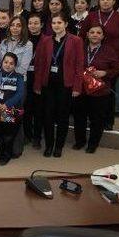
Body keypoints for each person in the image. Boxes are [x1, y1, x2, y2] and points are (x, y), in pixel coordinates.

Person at [33, 13, 84, 158]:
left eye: (59, 22)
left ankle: (58, 146)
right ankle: (49, 145)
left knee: (63, 116)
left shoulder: (76, 41)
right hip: (48, 84)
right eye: (54, 23)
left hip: (66, 85)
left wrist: (77, 87)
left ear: (66, 24)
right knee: (48, 116)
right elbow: (40, 64)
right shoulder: (45, 41)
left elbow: (79, 65)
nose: (56, 25)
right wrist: (37, 84)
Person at [79, 0, 119, 129]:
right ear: (99, 1)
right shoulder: (91, 16)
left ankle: (107, 121)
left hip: (111, 61)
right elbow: (82, 36)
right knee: (88, 90)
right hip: (91, 59)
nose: (105, 1)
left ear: (114, 1)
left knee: (108, 91)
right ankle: (91, 118)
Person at [73, 24, 119, 153]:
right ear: (87, 34)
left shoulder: (109, 50)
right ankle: (80, 141)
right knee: (79, 117)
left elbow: (116, 70)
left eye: (98, 33)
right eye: (92, 32)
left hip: (99, 91)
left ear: (103, 36)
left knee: (97, 119)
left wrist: (105, 73)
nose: (95, 35)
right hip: (81, 89)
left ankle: (92, 144)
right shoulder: (80, 48)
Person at [0, 16, 33, 157]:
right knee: (3, 115)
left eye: (18, 25)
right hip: (2, 82)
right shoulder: (4, 42)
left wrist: (8, 72)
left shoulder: (28, 44)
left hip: (18, 83)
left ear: (22, 28)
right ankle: (3, 147)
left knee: (15, 115)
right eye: (13, 25)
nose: (15, 28)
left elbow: (23, 67)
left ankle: (16, 148)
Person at [25, 13, 45, 148]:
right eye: (30, 23)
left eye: (36, 23)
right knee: (26, 108)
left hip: (40, 77)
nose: (33, 25)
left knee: (39, 109)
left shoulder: (47, 40)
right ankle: (27, 135)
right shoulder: (23, 39)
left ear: (41, 25)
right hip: (26, 76)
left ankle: (37, 137)